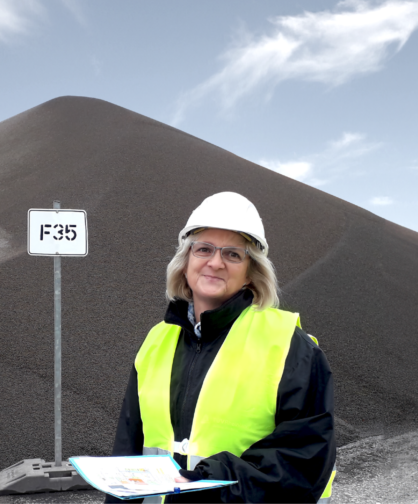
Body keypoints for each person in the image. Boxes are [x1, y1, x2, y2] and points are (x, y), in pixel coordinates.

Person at [106, 192, 336, 503]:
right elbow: (128, 452)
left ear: (250, 273)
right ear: (185, 262)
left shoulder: (291, 347)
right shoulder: (156, 342)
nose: (215, 262)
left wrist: (210, 482)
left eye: (232, 254)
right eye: (203, 249)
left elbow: (304, 459)